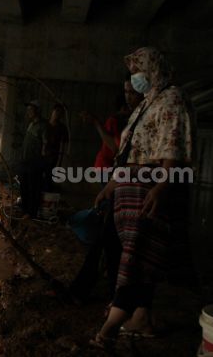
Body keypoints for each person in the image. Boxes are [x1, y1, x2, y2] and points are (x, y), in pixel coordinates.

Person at [90, 47, 192, 349]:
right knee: (138, 258)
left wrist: (161, 187)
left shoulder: (172, 99)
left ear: (153, 71)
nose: (135, 79)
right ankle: (141, 318)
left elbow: (171, 144)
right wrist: (111, 185)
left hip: (148, 188)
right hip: (131, 188)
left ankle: (109, 328)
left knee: (134, 259)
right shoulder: (148, 103)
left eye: (139, 72)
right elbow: (129, 151)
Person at [69, 80, 143, 303]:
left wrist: (97, 124)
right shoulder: (130, 122)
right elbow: (123, 157)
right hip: (118, 181)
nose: (129, 96)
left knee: (110, 240)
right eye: (126, 92)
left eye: (133, 92)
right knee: (108, 239)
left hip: (128, 185)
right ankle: (106, 294)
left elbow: (120, 152)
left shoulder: (134, 121)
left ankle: (99, 294)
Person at [19, 100, 46, 218]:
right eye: (28, 109)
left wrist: (43, 160)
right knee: (24, 185)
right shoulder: (31, 124)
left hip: (35, 162)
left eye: (31, 109)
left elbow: (46, 144)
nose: (28, 112)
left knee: (33, 188)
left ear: (38, 111)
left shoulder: (44, 126)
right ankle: (24, 209)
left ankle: (31, 213)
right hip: (25, 160)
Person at [43, 103, 69, 191]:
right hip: (40, 156)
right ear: (52, 111)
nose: (58, 114)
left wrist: (59, 162)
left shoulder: (62, 128)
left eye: (60, 113)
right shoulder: (44, 124)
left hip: (52, 158)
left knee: (48, 179)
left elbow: (63, 146)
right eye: (57, 111)